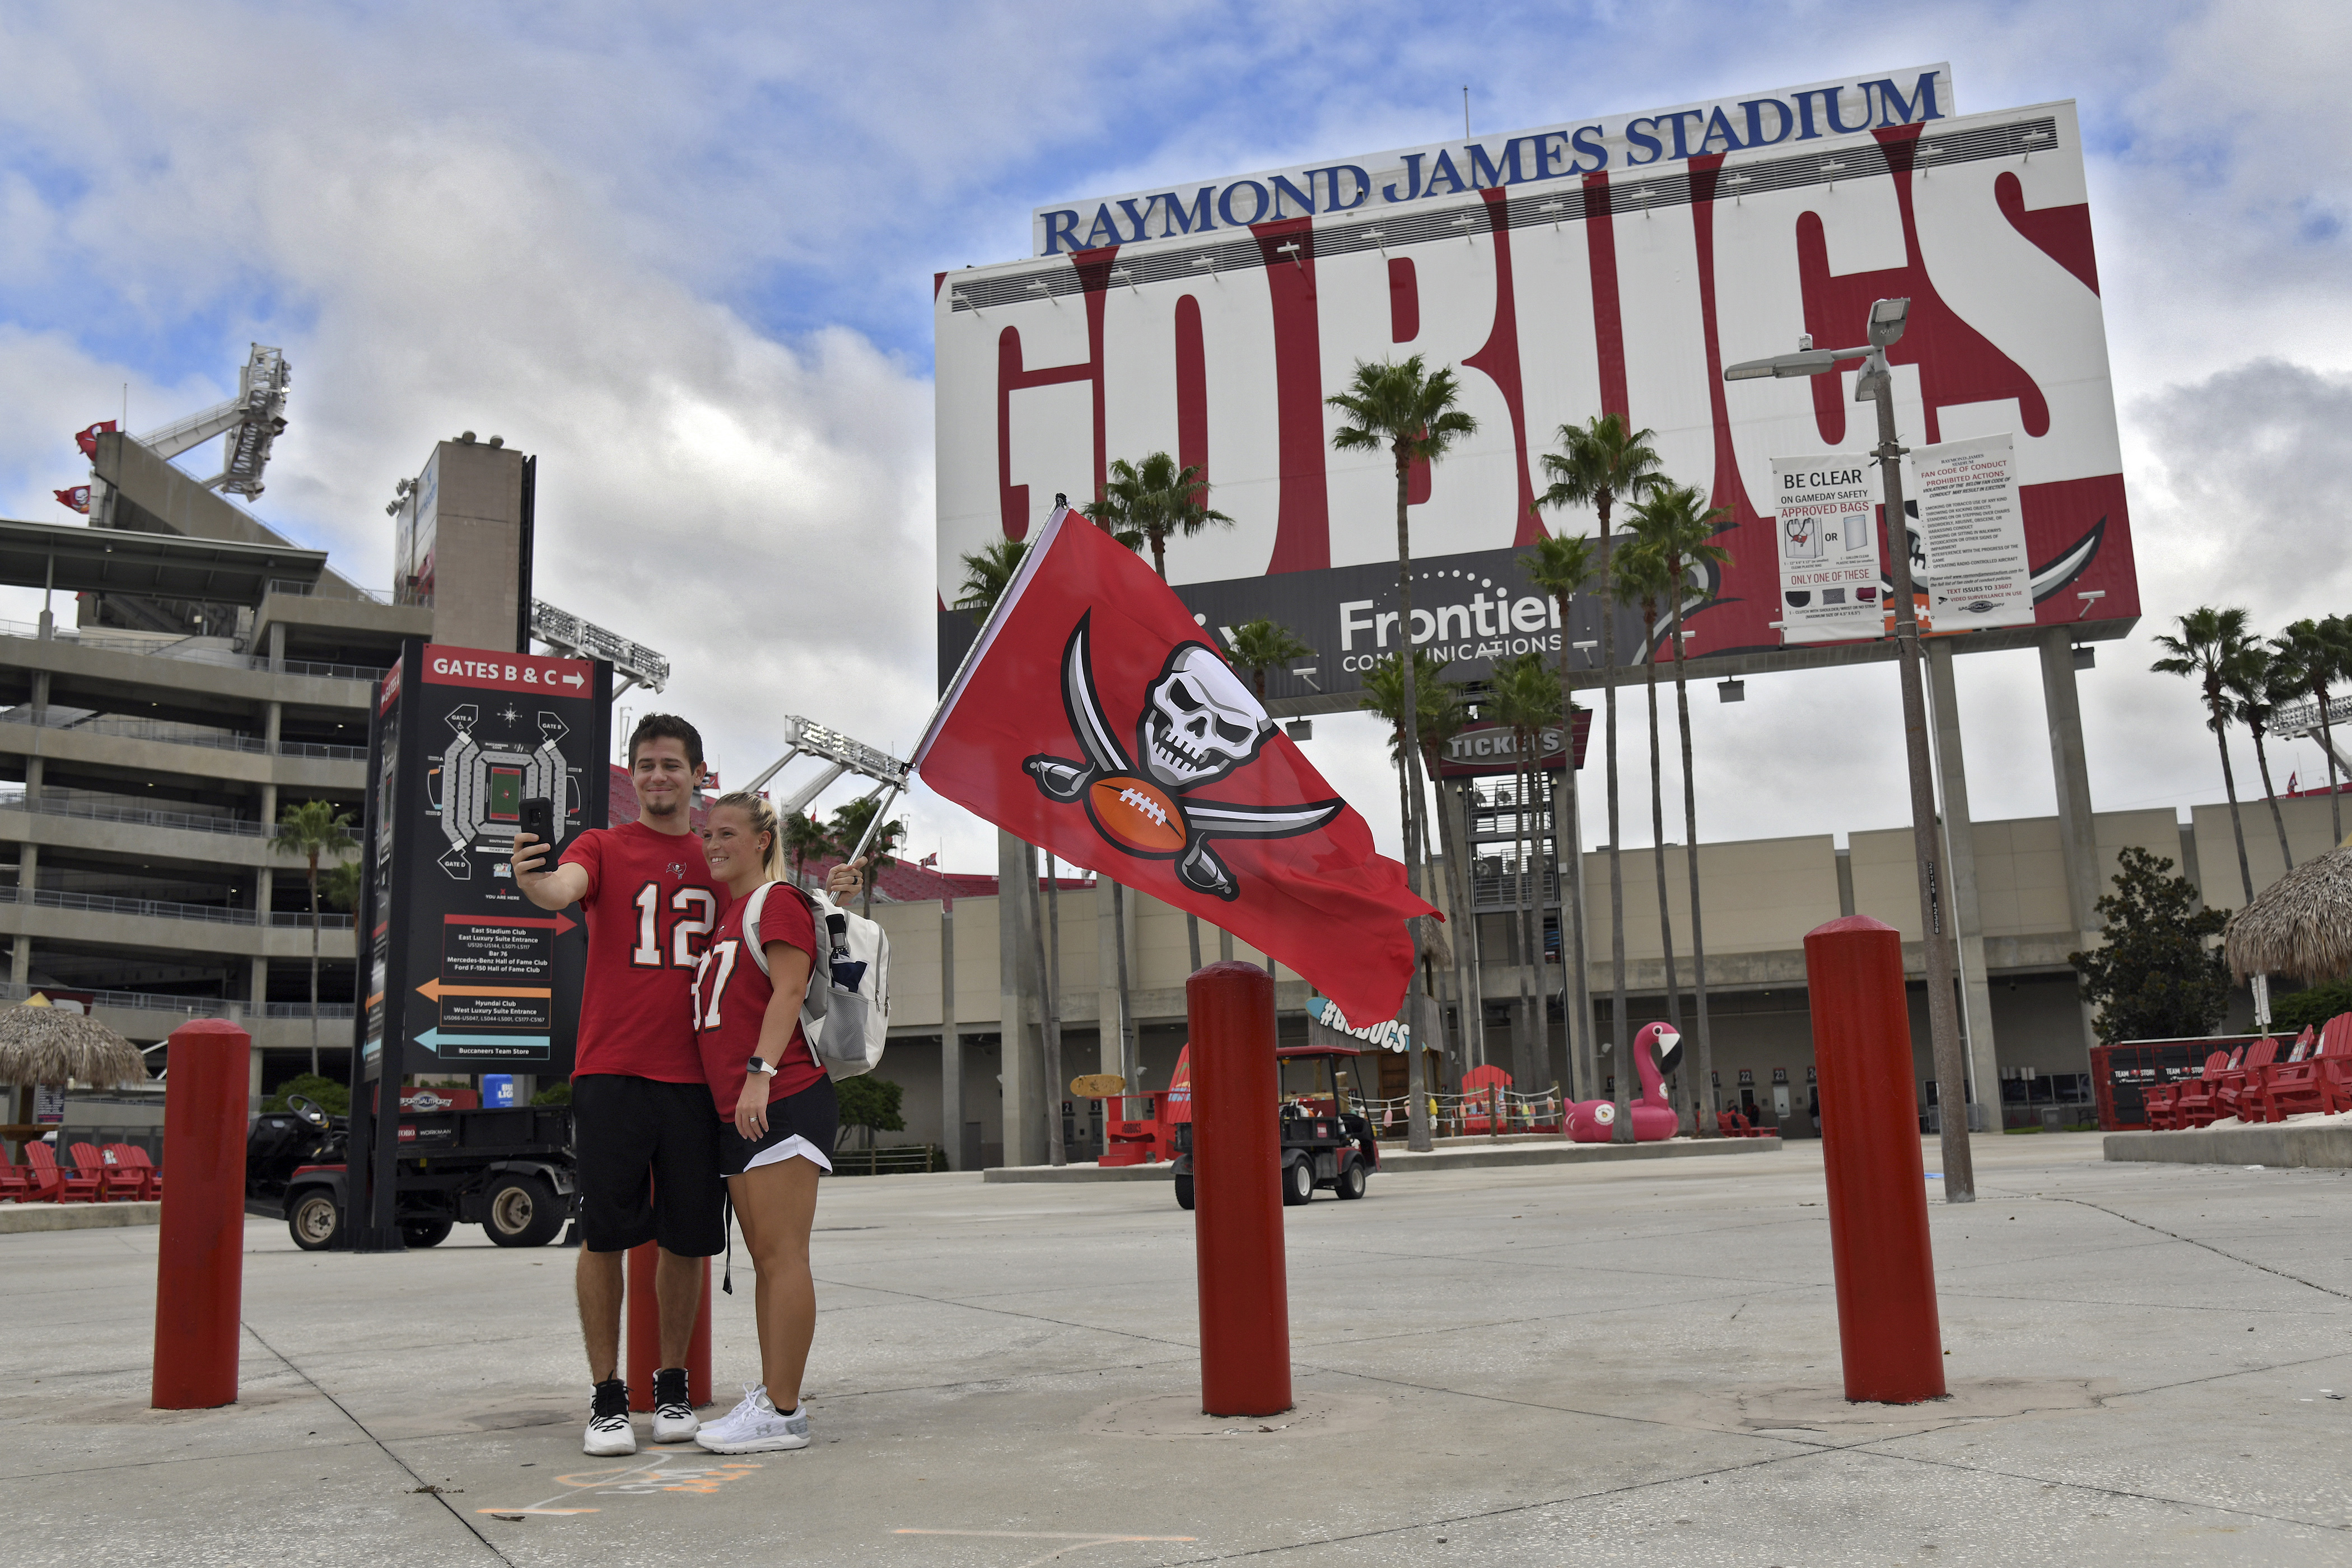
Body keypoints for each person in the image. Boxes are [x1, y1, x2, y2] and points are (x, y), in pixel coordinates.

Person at [513, 715, 861, 1457]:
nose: (658, 775)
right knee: (603, 1234)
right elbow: (560, 888)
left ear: (698, 774)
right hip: (611, 1068)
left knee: (687, 1239)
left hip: (701, 1085)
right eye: (645, 764)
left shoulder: (719, 857)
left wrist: (835, 894)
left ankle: (670, 1386)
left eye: (672, 764)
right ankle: (609, 1396)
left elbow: (786, 927)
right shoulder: (602, 845)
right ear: (631, 773)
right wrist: (534, 878)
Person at [686, 791, 837, 1454]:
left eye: (726, 833)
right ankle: (772, 1397)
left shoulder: (777, 902)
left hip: (781, 1096)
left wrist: (760, 1071)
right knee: (764, 1262)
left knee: (783, 1256)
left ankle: (784, 1410)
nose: (712, 843)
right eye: (707, 833)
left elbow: (790, 988)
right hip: (740, 1109)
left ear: (761, 839)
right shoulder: (730, 915)